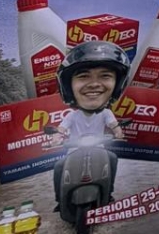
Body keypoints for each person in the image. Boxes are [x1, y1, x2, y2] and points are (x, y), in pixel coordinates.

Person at [49, 41, 131, 206]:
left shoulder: (106, 113)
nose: (94, 84)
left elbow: (114, 125)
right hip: (74, 151)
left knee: (113, 158)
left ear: (117, 85)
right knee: (58, 166)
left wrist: (119, 133)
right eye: (83, 76)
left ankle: (108, 193)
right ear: (68, 86)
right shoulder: (72, 115)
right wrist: (57, 137)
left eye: (105, 76)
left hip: (99, 150)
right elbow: (61, 128)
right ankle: (59, 199)